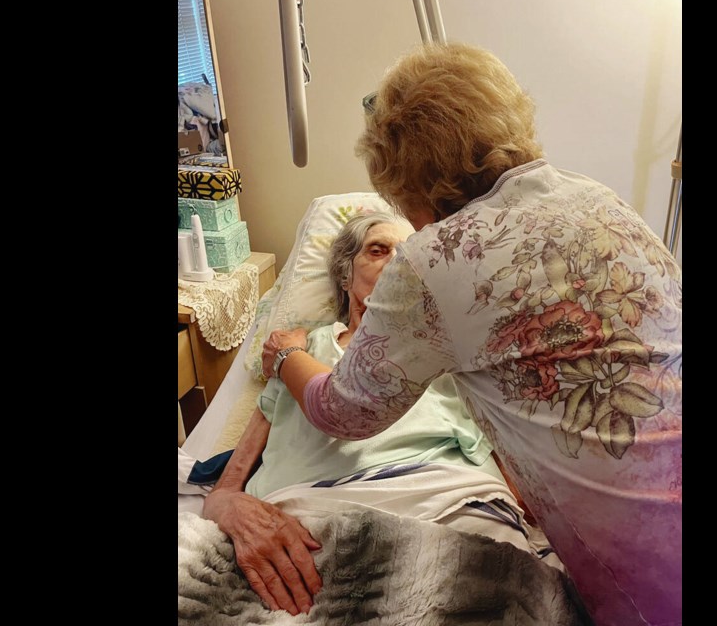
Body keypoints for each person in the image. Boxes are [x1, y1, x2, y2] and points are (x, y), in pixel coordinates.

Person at [264, 43, 683, 626]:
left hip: (654, 586)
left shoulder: (435, 260)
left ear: (405, 176)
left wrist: (285, 355)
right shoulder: (597, 196)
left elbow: (343, 412)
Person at [199, 212, 541, 617]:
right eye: (377, 250)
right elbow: (225, 488)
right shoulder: (300, 352)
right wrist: (234, 510)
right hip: (306, 529)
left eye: (408, 254)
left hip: (448, 510)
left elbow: (518, 481)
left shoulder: (448, 354)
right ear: (345, 276)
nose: (395, 261)